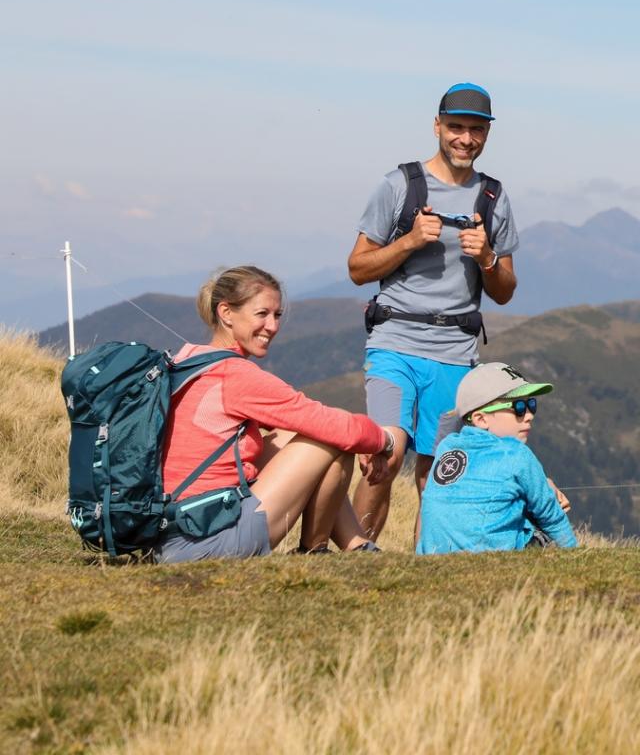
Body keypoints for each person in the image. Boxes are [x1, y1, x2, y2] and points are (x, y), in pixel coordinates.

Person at [348, 82, 519, 541]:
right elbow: (358, 268)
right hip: (394, 342)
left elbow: (504, 291)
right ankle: (354, 558)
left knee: (439, 469)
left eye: (476, 130)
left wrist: (486, 257)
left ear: (486, 135)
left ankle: (427, 568)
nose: (465, 138)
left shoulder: (493, 197)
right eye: (456, 127)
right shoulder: (400, 185)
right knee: (385, 452)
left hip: (455, 352)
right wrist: (408, 241)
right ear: (437, 126)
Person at [154, 265, 395, 563]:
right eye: (262, 314)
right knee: (332, 438)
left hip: (170, 533)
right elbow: (336, 427)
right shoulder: (236, 375)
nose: (272, 326)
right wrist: (383, 443)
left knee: (302, 433)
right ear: (226, 313)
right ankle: (314, 550)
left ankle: (356, 544)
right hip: (211, 539)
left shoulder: (186, 360)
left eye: (277, 315)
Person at [417, 362, 577, 553]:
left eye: (531, 404)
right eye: (518, 407)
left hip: (433, 558)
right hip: (489, 560)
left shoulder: (447, 447)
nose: (529, 415)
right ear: (481, 419)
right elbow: (551, 517)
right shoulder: (516, 453)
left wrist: (543, 483)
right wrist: (574, 554)